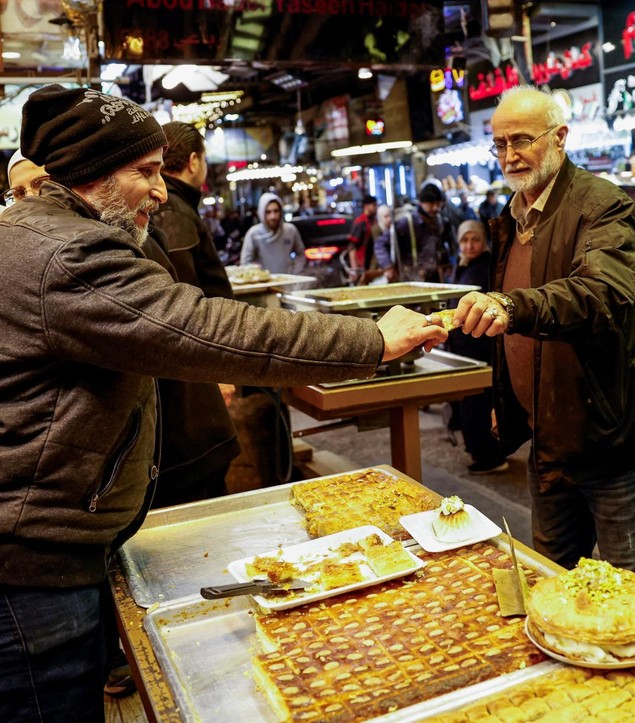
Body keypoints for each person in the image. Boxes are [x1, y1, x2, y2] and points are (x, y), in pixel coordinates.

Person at [0, 84, 449, 720]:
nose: (161, 191)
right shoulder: (68, 253)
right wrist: (373, 339)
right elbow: (208, 328)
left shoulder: (35, 234)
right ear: (91, 175)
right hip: (32, 570)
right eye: (146, 172)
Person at [453, 85, 635, 580]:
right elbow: (517, 339)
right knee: (552, 582)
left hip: (609, 444)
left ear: (560, 137)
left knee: (632, 593)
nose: (509, 155)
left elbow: (599, 294)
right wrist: (507, 403)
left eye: (521, 140)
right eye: (500, 144)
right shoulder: (512, 216)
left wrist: (509, 305)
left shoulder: (602, 205)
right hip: (547, 444)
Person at [149, 121, 239, 507]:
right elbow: (183, 311)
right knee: (201, 496)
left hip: (192, 380)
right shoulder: (174, 210)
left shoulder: (175, 207)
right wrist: (214, 374)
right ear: (192, 161)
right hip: (191, 392)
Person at [446, 219, 508, 474]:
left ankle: (490, 457)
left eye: (475, 240)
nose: (469, 246)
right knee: (469, 403)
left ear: (484, 242)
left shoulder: (486, 268)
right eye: (464, 240)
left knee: (480, 404)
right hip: (464, 347)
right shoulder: (462, 265)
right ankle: (480, 452)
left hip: (481, 347)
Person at [374, 183, 457, 283]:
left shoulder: (441, 222)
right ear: (421, 203)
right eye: (431, 204)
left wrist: (448, 263)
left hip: (435, 277)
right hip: (411, 279)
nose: (436, 208)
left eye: (438, 204)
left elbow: (448, 246)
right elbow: (380, 244)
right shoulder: (406, 223)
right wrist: (388, 266)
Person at [240, 191, 306, 274]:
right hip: (264, 281)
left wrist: (295, 273)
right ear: (262, 213)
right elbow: (245, 262)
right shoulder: (253, 234)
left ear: (280, 212)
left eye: (276, 211)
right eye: (268, 212)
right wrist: (258, 275)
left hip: (287, 280)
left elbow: (301, 254)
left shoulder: (290, 230)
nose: (273, 216)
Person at [347, 194, 377, 272]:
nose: (376, 208)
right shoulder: (360, 222)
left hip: (373, 263)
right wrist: (355, 268)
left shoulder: (374, 220)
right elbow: (352, 247)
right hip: (362, 263)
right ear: (366, 206)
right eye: (374, 205)